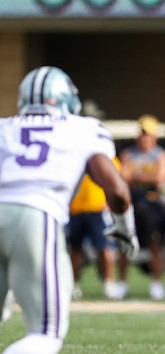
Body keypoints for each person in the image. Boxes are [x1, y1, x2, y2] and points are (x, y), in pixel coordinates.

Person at [0, 66, 138, 354]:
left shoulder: (4, 127)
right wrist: (125, 228)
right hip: (36, 215)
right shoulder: (84, 128)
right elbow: (116, 189)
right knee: (45, 335)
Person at [118, 114, 165, 300]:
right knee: (124, 240)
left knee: (155, 241)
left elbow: (160, 177)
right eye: (141, 134)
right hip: (133, 202)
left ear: (154, 136)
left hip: (152, 203)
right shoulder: (128, 154)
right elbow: (124, 177)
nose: (143, 137)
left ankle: (156, 283)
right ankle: (122, 283)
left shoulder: (161, 155)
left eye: (147, 134)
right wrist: (144, 178)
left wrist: (137, 177)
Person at [67, 156, 122, 300]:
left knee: (104, 247)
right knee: (74, 249)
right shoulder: (73, 155)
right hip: (76, 208)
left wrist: (110, 203)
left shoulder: (105, 156)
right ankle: (72, 284)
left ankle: (108, 283)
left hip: (98, 208)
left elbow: (115, 181)